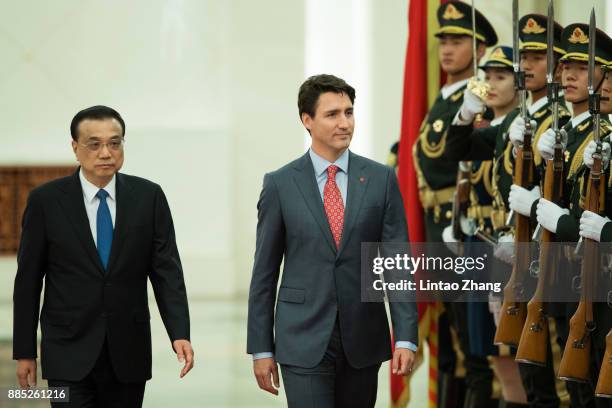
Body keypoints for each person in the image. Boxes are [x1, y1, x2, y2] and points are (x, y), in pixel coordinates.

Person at [246, 74, 418, 408]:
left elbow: (398, 264)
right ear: (307, 120)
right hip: (302, 337)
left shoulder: (381, 179)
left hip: (363, 337)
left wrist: (407, 336)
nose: (344, 123)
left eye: (349, 112)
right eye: (332, 114)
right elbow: (264, 273)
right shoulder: (280, 184)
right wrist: (261, 348)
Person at [13, 105, 193, 407]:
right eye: (94, 144)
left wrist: (179, 332)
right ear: (75, 147)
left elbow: (166, 273)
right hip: (66, 350)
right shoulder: (46, 201)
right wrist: (25, 351)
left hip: (128, 351)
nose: (106, 152)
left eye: (114, 142)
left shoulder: (148, 197)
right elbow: (28, 281)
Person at [414, 2, 498, 405]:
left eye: (458, 40)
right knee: (451, 342)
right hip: (437, 227)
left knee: (475, 342)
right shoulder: (446, 97)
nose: (446, 49)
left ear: (480, 49)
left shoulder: (477, 97)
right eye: (443, 40)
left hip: (463, 226)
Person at [444, 45, 528, 408]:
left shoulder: (525, 127)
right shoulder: (483, 130)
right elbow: (458, 164)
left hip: (507, 245)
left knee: (511, 349)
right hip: (478, 244)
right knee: (488, 352)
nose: (491, 84)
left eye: (501, 76)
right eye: (487, 77)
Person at [535, 24, 612, 408]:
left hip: (599, 271)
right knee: (577, 376)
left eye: (582, 68)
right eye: (565, 65)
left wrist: (563, 221)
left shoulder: (603, 134)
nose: (568, 75)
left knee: (595, 378)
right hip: (573, 269)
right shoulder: (570, 130)